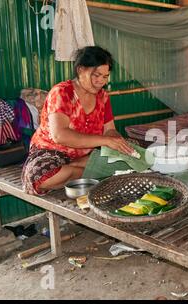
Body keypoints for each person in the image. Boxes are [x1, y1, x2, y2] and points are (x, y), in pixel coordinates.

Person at [21, 46, 135, 195]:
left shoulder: (103, 97)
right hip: (52, 153)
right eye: (96, 75)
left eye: (105, 77)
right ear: (81, 70)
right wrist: (105, 141)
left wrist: (116, 141)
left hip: (85, 157)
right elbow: (60, 136)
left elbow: (109, 130)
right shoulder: (62, 92)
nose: (100, 81)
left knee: (132, 151)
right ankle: (92, 172)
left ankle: (80, 170)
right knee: (37, 176)